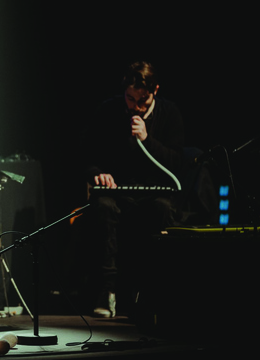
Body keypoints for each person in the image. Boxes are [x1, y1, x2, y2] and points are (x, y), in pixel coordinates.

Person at [75, 61, 185, 318]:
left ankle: (154, 291)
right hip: (117, 192)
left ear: (155, 91)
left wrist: (148, 140)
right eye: (130, 98)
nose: (135, 106)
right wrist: (96, 173)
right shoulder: (109, 110)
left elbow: (178, 163)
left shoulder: (170, 113)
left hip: (154, 192)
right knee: (102, 208)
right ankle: (107, 289)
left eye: (142, 101)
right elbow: (85, 156)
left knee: (163, 209)